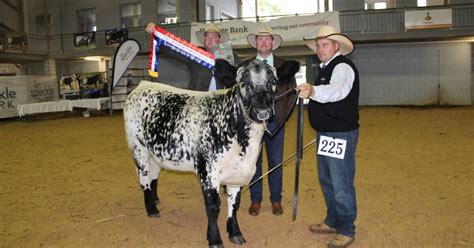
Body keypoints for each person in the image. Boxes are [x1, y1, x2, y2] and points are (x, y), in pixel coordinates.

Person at [297, 25, 359, 248]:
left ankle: (346, 229)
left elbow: (337, 91)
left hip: (340, 134)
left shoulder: (342, 67)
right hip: (327, 133)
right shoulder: (326, 67)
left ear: (336, 46)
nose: (320, 48)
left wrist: (313, 91)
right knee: (328, 181)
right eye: (318, 45)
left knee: (341, 184)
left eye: (324, 44)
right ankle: (333, 220)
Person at [242, 26, 297, 217]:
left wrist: (282, 118)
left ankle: (276, 200)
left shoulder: (283, 66)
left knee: (275, 161)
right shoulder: (246, 66)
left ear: (272, 43)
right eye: (260, 39)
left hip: (276, 123)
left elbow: (292, 93)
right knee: (254, 161)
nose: (263, 42)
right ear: (255, 43)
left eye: (267, 39)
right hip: (252, 124)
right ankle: (255, 200)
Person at [146, 22, 239, 91]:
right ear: (204, 40)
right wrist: (157, 35)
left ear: (219, 40)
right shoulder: (197, 53)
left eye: (213, 36)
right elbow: (176, 51)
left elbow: (240, 77)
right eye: (207, 36)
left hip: (222, 103)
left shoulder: (232, 56)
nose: (210, 39)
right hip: (198, 100)